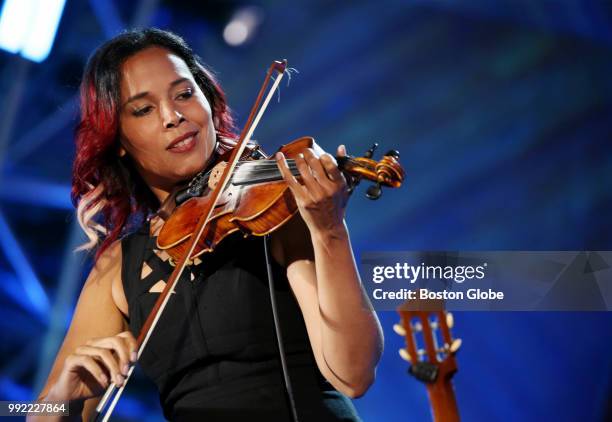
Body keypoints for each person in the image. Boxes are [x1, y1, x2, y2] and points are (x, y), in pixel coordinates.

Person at [30, 28, 383, 421]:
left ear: (207, 101)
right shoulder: (116, 267)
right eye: (143, 109)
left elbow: (353, 374)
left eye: (183, 94)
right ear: (119, 140)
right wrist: (59, 394)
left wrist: (329, 229)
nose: (173, 116)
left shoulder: (272, 214)